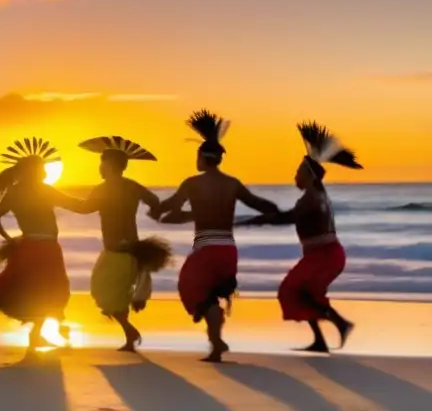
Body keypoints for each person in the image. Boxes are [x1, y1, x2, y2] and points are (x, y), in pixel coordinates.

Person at [154, 110, 280, 362]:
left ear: (202, 157)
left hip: (206, 250)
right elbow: (264, 206)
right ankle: (215, 346)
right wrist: (266, 216)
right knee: (210, 295)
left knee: (192, 289)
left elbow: (167, 207)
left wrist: (155, 208)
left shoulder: (192, 183)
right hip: (228, 251)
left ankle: (216, 342)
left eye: (197, 156)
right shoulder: (233, 183)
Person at [241, 121, 360, 352]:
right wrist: (262, 218)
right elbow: (289, 216)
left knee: (291, 289)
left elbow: (287, 218)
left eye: (298, 172)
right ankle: (323, 339)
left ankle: (340, 324)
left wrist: (257, 220)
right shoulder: (317, 193)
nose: (294, 176)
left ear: (307, 175)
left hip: (325, 255)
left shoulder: (311, 197)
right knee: (306, 292)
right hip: (327, 254)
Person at [0, 137, 92, 352]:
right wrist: (101, 201)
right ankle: (38, 335)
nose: (45, 171)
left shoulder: (15, 191)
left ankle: (36, 335)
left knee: (36, 289)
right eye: (42, 167)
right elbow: (78, 207)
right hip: (47, 249)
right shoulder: (45, 190)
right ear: (34, 170)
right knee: (53, 289)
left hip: (28, 246)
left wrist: (10, 239)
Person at [78, 136, 173, 352]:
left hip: (116, 251)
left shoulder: (102, 188)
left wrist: (56, 198)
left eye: (101, 163)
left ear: (110, 165)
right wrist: (154, 213)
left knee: (104, 293)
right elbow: (155, 202)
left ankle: (129, 331)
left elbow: (84, 208)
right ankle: (129, 334)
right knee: (116, 294)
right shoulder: (133, 186)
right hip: (131, 248)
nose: (99, 168)